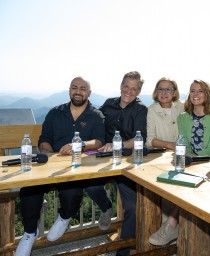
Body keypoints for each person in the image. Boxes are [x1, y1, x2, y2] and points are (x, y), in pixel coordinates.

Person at [16, 77, 106, 256]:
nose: (78, 91)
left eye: (82, 88)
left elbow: (99, 141)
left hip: (75, 168)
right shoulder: (55, 112)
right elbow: (44, 139)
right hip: (50, 166)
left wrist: (79, 145)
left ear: (89, 92)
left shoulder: (96, 116)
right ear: (69, 90)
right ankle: (29, 233)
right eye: (74, 88)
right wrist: (49, 155)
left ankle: (64, 217)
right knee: (28, 190)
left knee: (72, 191)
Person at [85, 71, 147, 256]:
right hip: (103, 158)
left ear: (138, 92)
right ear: (121, 86)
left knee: (133, 207)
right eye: (126, 86)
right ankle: (106, 206)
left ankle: (123, 251)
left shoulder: (140, 110)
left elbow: (140, 138)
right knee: (90, 185)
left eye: (134, 89)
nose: (129, 91)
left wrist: (117, 145)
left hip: (126, 162)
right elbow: (96, 123)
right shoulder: (108, 104)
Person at [149, 79, 210, 246]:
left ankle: (171, 225)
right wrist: (186, 159)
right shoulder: (184, 117)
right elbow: (184, 142)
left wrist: (192, 160)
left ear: (207, 94)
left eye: (200, 91)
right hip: (189, 162)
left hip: (209, 164)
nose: (196, 94)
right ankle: (172, 227)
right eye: (192, 91)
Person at [146, 77, 184, 150]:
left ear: (174, 93)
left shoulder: (181, 107)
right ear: (156, 92)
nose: (164, 93)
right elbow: (149, 139)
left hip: (182, 152)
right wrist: (169, 144)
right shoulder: (151, 110)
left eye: (168, 89)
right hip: (162, 154)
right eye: (160, 89)